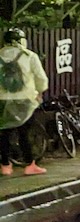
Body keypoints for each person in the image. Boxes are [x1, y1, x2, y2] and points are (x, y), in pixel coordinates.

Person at [0, 28, 49, 176]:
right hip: (24, 100)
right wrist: (40, 92)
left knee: (4, 133)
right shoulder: (29, 56)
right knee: (25, 132)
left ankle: (5, 165)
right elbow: (41, 77)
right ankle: (29, 165)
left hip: (2, 100)